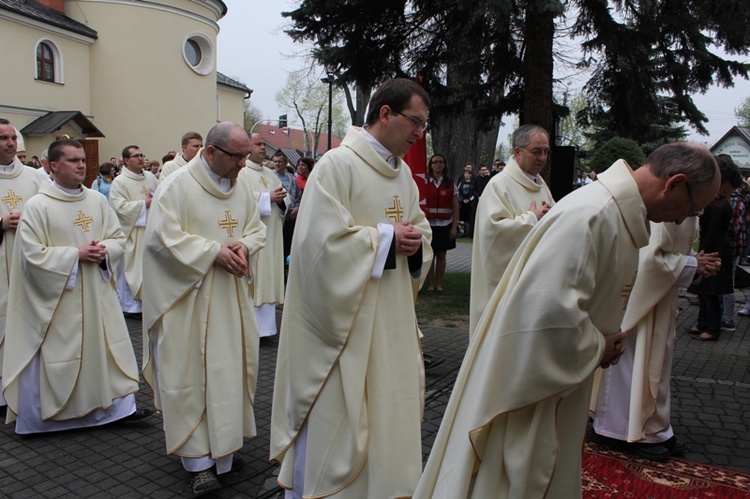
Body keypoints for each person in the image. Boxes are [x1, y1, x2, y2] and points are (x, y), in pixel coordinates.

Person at [413, 142, 720, 499]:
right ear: (674, 183)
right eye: (693, 207)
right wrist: (598, 346)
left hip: (560, 385)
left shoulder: (614, 214)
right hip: (532, 394)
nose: (685, 219)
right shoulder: (592, 215)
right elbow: (544, 316)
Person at [271, 78, 433, 499]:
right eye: (416, 121)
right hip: (344, 327)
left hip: (392, 321)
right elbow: (317, 247)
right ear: (385, 114)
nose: (421, 133)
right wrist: (384, 239)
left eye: (424, 124)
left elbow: (421, 234)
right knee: (338, 415)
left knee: (386, 415)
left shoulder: (406, 180)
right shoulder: (337, 166)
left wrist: (414, 245)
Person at [142, 122, 266, 497]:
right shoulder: (177, 186)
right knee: (192, 377)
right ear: (210, 152)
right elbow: (162, 240)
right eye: (236, 156)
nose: (243, 164)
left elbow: (255, 228)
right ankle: (198, 463)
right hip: (189, 302)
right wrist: (213, 252)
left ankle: (225, 450)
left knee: (231, 371)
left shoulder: (242, 186)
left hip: (230, 300)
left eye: (245, 155)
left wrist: (243, 246)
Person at [2, 138, 152, 434]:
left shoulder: (97, 201)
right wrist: (75, 255)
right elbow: (30, 256)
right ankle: (46, 419)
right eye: (73, 160)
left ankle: (114, 410)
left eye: (83, 159)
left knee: (105, 348)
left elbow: (117, 237)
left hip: (97, 293)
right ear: (53, 166)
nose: (81, 165)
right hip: (58, 299)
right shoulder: (37, 206)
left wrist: (105, 251)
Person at [589, 218, 721, 460]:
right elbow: (648, 259)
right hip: (639, 301)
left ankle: (652, 427)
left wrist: (697, 263)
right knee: (631, 363)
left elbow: (675, 251)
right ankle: (614, 428)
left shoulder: (689, 209)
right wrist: (692, 263)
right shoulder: (665, 212)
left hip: (660, 298)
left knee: (654, 363)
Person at [469, 124, 555, 334]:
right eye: (536, 151)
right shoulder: (500, 185)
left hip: (535, 284)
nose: (542, 157)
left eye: (546, 151)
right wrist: (531, 220)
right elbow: (493, 233)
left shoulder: (540, 185)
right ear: (518, 152)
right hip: (506, 287)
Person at [0, 119, 42, 416]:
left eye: (13, 137)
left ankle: (27, 391)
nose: (10, 143)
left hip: (29, 263)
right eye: (3, 138)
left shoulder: (35, 177)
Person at [688, 154, 744, 341]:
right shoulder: (711, 202)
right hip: (711, 247)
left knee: (711, 293)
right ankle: (703, 323)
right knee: (704, 292)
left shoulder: (720, 205)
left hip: (715, 249)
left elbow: (712, 231)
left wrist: (702, 252)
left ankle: (712, 327)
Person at [242, 132, 289, 338]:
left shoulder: (271, 175)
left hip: (272, 236)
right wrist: (266, 197)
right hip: (253, 236)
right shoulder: (241, 172)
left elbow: (284, 202)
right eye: (258, 144)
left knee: (269, 277)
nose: (263, 148)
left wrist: (279, 200)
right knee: (256, 278)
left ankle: (267, 329)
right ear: (247, 147)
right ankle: (251, 329)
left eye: (263, 144)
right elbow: (238, 199)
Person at [108, 145, 159, 317]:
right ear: (126, 160)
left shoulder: (151, 177)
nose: (140, 158)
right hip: (132, 233)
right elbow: (119, 208)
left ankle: (148, 304)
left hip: (150, 230)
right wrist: (144, 204)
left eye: (142, 155)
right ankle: (130, 307)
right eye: (136, 156)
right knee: (131, 270)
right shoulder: (120, 182)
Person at [425, 153, 458, 292]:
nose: (438, 164)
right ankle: (430, 284)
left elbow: (456, 206)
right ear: (430, 165)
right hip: (428, 224)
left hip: (445, 224)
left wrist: (454, 227)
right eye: (435, 162)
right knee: (430, 254)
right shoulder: (425, 182)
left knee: (442, 255)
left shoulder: (450, 183)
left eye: (440, 162)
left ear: (444, 165)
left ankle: (439, 284)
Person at [272, 151, 301, 262]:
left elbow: (298, 196)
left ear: (286, 163)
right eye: (275, 162)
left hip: (291, 218)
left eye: (280, 162)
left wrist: (296, 209)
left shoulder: (291, 178)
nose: (277, 164)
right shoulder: (270, 176)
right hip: (279, 218)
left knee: (288, 246)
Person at [457, 169, 477, 237]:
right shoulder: (462, 182)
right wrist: (462, 199)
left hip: (470, 202)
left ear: (470, 175)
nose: (466, 175)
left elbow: (474, 192)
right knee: (462, 217)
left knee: (469, 217)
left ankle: (469, 231)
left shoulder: (473, 183)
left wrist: (469, 199)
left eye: (467, 174)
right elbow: (458, 192)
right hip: (462, 202)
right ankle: (462, 230)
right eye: (465, 174)